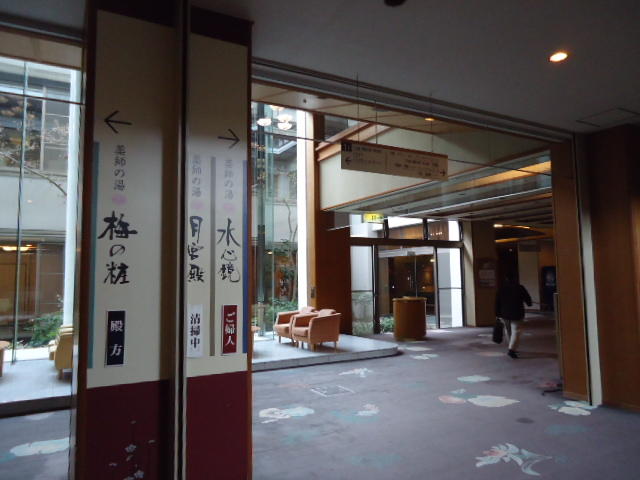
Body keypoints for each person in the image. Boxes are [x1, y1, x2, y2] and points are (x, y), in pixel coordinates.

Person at [495, 272, 532, 358]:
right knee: (516, 331)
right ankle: (511, 349)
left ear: (506, 279)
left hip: (504, 314)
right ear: (515, 279)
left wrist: (497, 314)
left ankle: (511, 347)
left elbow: (497, 302)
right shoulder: (520, 288)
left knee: (508, 331)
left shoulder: (502, 289)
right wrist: (529, 303)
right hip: (517, 313)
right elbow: (528, 299)